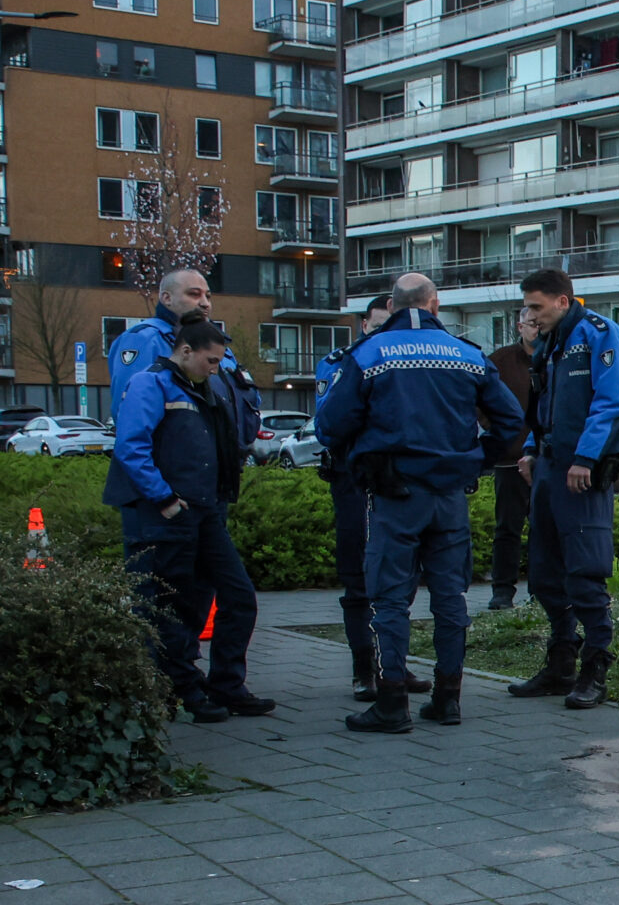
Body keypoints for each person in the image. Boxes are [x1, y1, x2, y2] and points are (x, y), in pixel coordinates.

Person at [315, 273, 524, 733]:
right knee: (450, 597)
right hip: (449, 496)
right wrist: (474, 459)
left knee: (390, 598)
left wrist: (362, 458)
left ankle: (391, 703)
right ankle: (447, 699)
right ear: (435, 305)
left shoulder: (368, 354)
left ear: (391, 306)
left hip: (395, 494)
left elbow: (329, 425)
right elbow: (511, 422)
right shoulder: (467, 355)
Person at [102, 319, 274, 722]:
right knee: (169, 605)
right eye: (210, 360)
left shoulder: (200, 387)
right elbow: (131, 446)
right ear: (185, 351)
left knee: (236, 596)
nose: (216, 368)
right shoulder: (151, 384)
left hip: (203, 509)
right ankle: (183, 688)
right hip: (165, 513)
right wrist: (164, 498)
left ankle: (224, 685)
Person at [510, 269, 619, 710]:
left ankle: (595, 669)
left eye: (536, 306)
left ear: (562, 301)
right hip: (549, 467)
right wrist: (531, 450)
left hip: (581, 471)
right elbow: (542, 406)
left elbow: (611, 402)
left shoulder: (599, 335)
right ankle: (560, 663)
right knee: (545, 573)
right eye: (527, 307)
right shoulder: (552, 343)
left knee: (585, 572)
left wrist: (584, 458)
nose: (529, 315)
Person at [312, 294, 422, 701]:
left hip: (399, 479)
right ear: (363, 326)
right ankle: (364, 669)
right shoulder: (341, 362)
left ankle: (393, 663)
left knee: (402, 577)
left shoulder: (406, 362)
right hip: (354, 478)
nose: (381, 337)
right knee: (359, 576)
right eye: (376, 327)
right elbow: (328, 424)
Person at [107, 268, 260, 452]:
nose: (205, 303)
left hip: (221, 466)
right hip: (173, 468)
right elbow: (129, 417)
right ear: (167, 298)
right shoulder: (146, 339)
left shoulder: (219, 346)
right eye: (194, 294)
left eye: (208, 296)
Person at [485, 306, 539, 611]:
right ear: (519, 326)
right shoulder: (501, 362)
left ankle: (539, 589)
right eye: (531, 324)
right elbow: (478, 399)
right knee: (507, 528)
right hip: (509, 459)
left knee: (542, 529)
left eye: (540, 323)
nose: (537, 329)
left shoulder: (555, 359)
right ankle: (502, 591)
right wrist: (496, 431)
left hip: (544, 460)